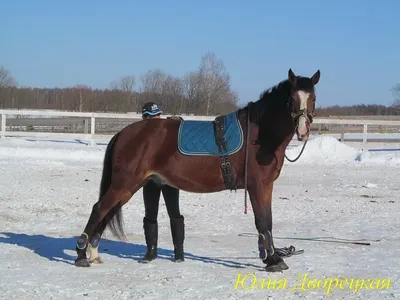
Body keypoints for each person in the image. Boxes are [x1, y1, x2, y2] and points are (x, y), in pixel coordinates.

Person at [140, 101, 185, 263]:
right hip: (150, 178)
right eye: (152, 117)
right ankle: (151, 250)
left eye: (157, 115)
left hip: (169, 178)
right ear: (144, 118)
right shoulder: (141, 136)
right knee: (150, 213)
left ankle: (179, 250)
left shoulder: (167, 130)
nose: (156, 119)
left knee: (174, 212)